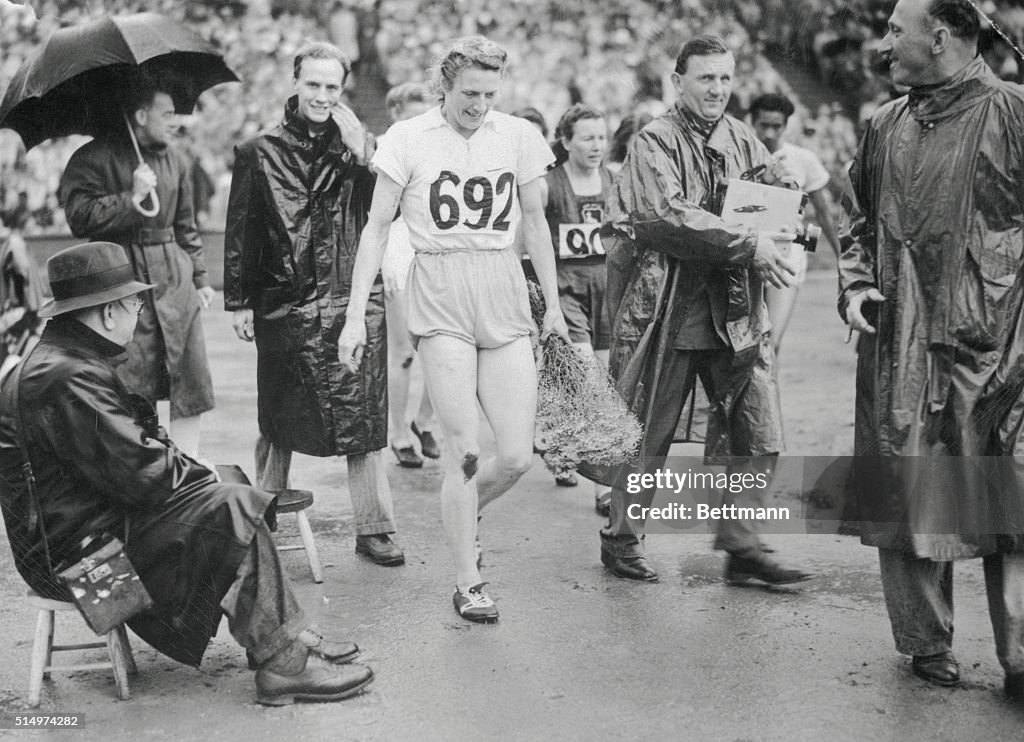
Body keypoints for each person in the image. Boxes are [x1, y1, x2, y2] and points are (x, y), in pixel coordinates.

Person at [0, 242, 374, 706]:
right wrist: (201, 479)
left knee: (229, 482)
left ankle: (281, 637)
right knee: (233, 504)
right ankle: (283, 663)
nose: (138, 314)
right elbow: (144, 473)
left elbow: (132, 462)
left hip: (80, 535)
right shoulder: (64, 375)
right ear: (107, 313)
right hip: (80, 568)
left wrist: (202, 474)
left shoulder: (64, 360)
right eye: (134, 303)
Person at [337, 36, 569, 623]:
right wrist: (353, 315)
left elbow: (536, 225)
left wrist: (557, 309)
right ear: (444, 84)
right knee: (463, 452)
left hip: (503, 288)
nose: (479, 104)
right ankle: (468, 580)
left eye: (491, 93)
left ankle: (466, 517)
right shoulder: (407, 138)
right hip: (439, 289)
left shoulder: (517, 134)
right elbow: (374, 229)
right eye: (469, 93)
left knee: (516, 456)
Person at [839, 0, 1024, 700]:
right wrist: (854, 286)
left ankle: (1022, 654)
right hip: (903, 342)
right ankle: (924, 640)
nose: (885, 43)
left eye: (895, 29)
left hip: (1004, 346)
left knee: (1011, 492)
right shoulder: (883, 126)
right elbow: (859, 224)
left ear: (938, 37)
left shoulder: (1012, 112)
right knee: (909, 485)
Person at [600, 33, 813, 585]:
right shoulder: (654, 141)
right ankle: (622, 537)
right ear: (678, 81)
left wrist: (789, 212)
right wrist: (751, 241)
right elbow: (667, 216)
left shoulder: (742, 137)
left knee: (758, 429)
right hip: (669, 311)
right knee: (648, 432)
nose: (717, 88)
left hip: (735, 311)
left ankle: (742, 546)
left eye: (724, 78)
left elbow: (778, 184)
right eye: (705, 77)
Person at [224, 41, 404, 567]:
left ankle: (374, 528)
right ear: (296, 82)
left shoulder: (362, 148)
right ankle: (262, 518)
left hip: (352, 296)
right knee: (278, 416)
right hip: (287, 300)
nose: (323, 96)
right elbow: (243, 230)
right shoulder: (259, 151)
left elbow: (388, 211)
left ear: (343, 88)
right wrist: (239, 299)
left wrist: (365, 154)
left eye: (333, 86)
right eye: (314, 85)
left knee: (362, 415)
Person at [58, 71, 215, 458]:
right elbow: (79, 219)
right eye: (167, 113)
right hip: (119, 279)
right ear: (141, 116)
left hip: (174, 279)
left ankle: (187, 467)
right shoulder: (92, 158)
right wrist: (132, 197)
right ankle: (142, 469)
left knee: (188, 381)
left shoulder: (177, 159)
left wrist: (200, 277)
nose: (175, 121)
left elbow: (185, 225)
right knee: (130, 381)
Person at [541, 103, 615, 513]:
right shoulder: (548, 185)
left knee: (604, 382)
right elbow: (524, 240)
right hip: (567, 293)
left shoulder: (614, 180)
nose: (596, 145)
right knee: (591, 387)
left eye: (601, 137)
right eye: (587, 138)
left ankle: (565, 441)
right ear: (566, 141)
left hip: (607, 291)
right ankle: (603, 489)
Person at [748, 93, 841, 356]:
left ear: (785, 125)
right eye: (763, 125)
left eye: (776, 126)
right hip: (748, 254)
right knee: (746, 344)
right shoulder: (741, 156)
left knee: (771, 344)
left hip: (788, 256)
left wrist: (840, 258)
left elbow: (822, 213)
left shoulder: (803, 158)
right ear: (753, 122)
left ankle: (768, 396)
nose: (769, 132)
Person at [380, 82, 439, 469]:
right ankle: (397, 432)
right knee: (403, 353)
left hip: (435, 248)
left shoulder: (439, 145)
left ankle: (423, 420)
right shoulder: (386, 149)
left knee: (445, 349)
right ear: (395, 113)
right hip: (398, 248)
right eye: (411, 115)